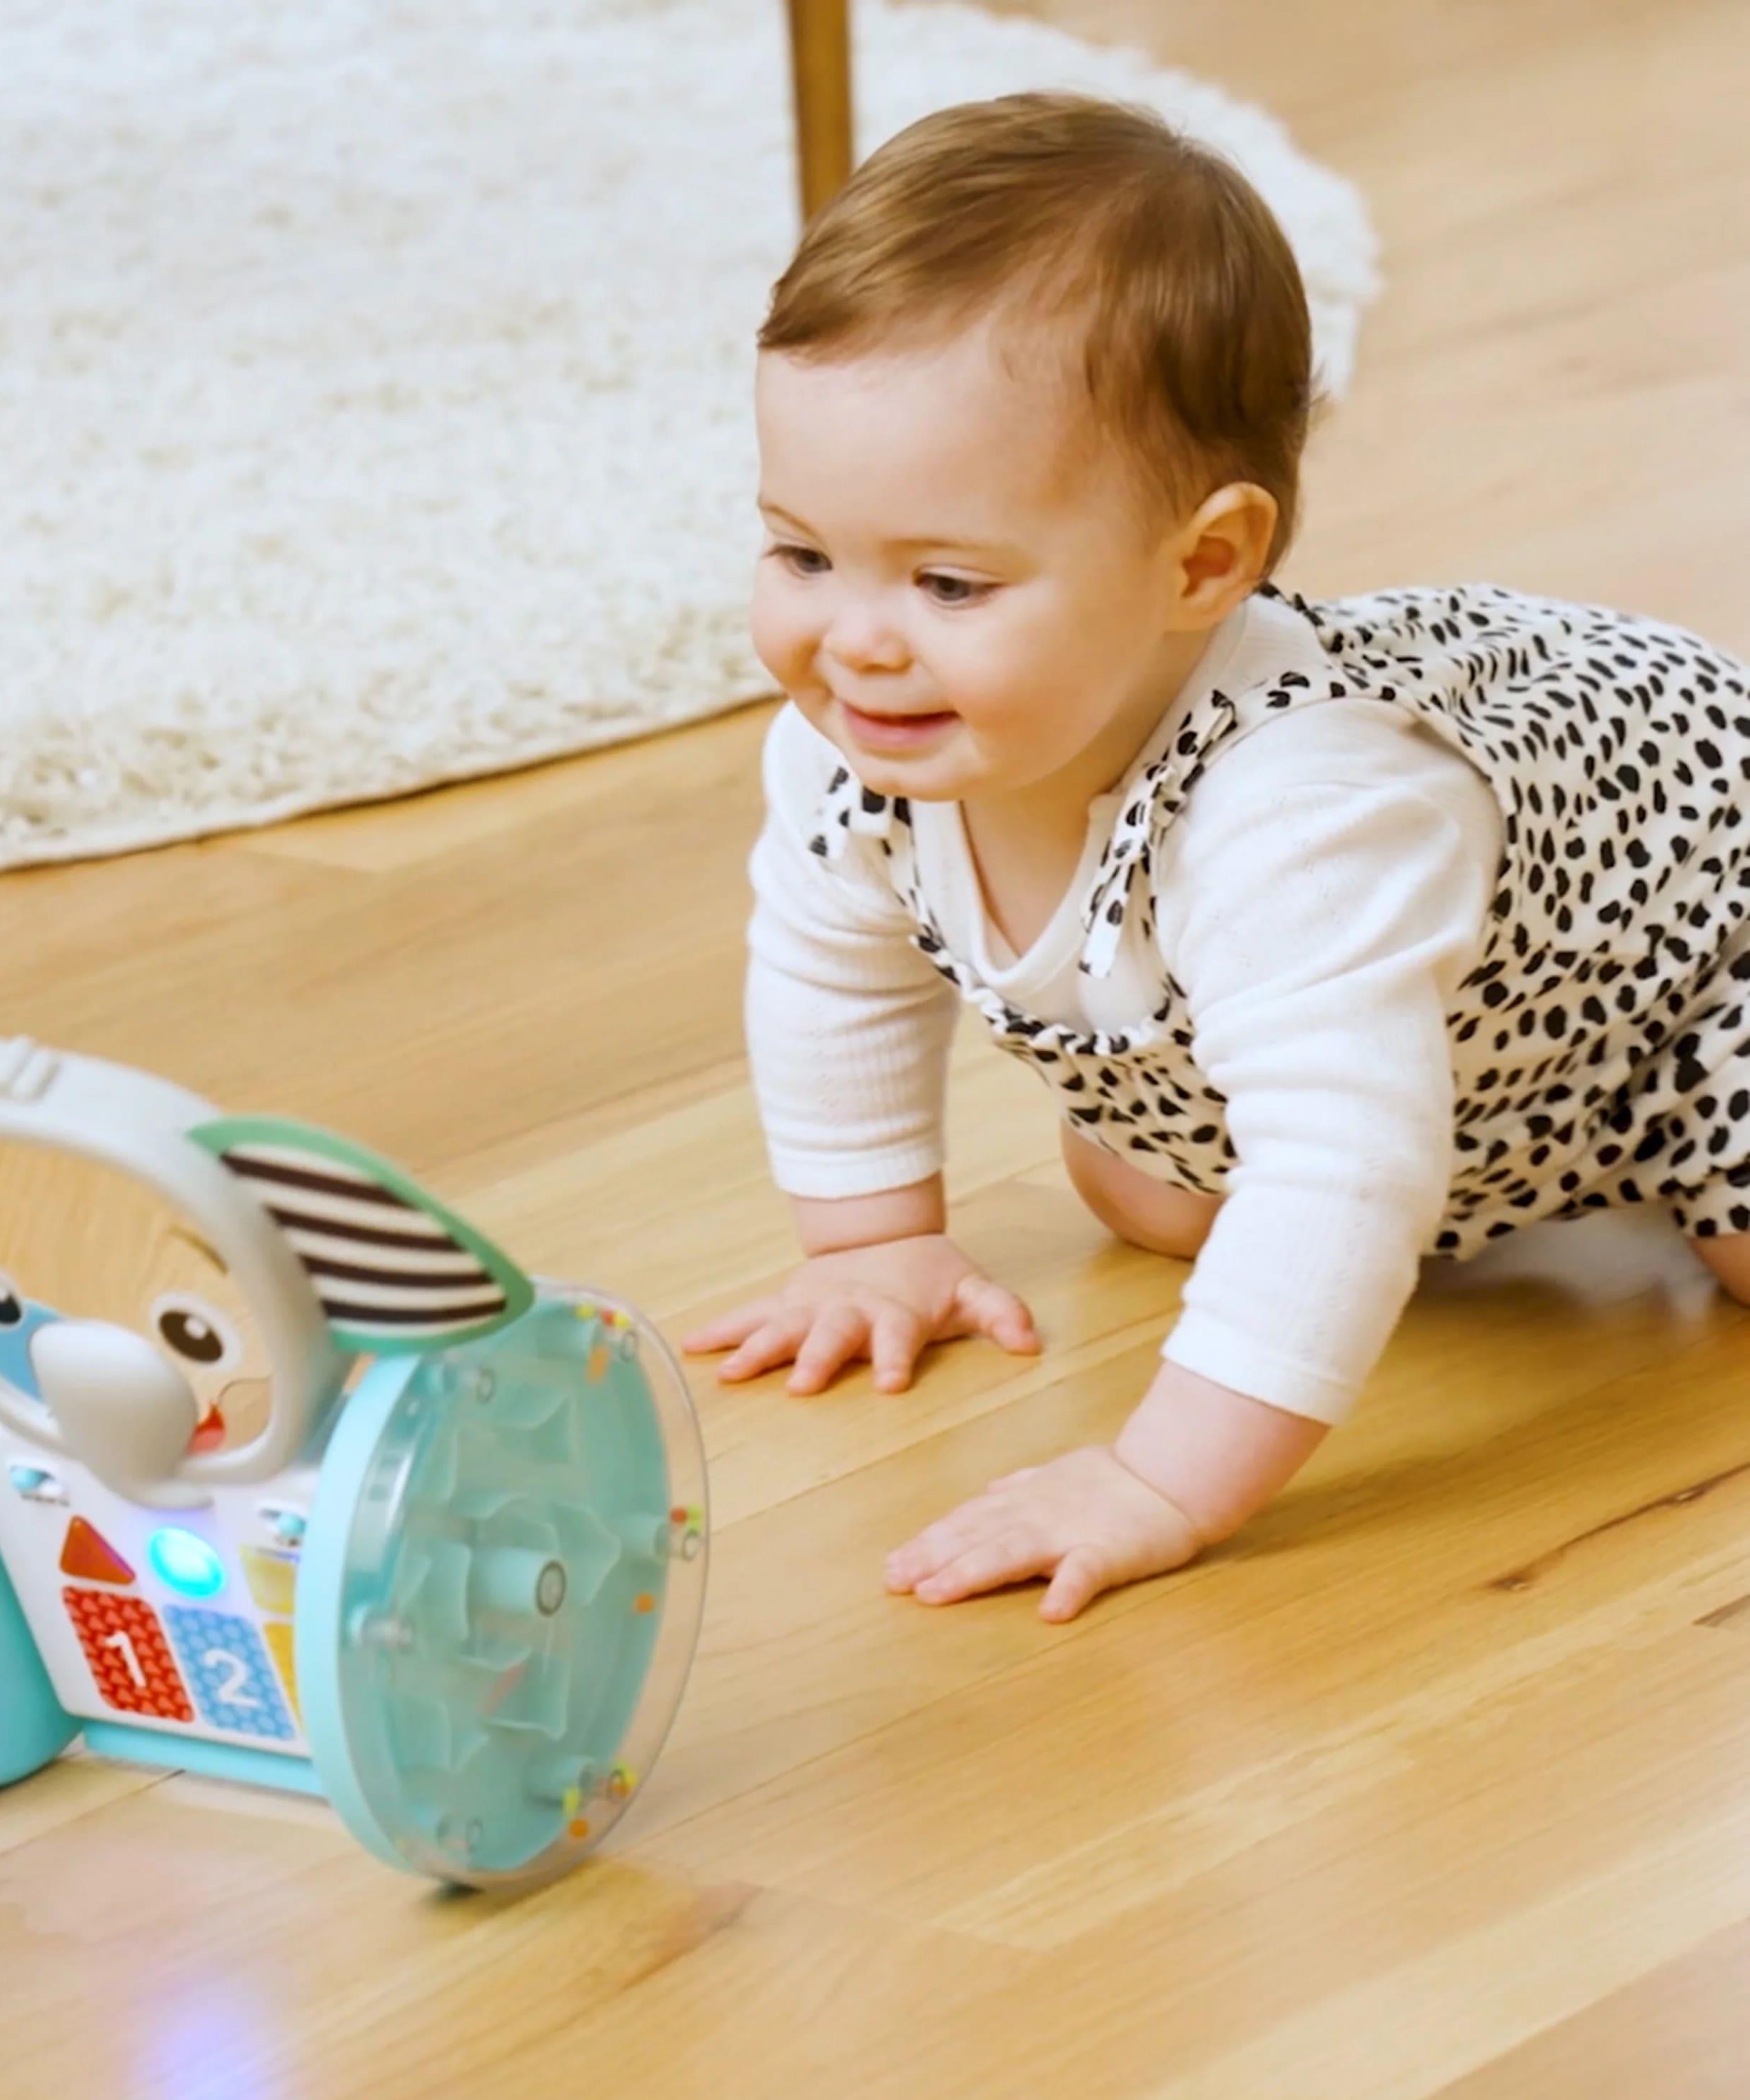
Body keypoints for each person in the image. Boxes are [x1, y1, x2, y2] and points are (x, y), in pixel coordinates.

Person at [682, 92, 1750, 1621]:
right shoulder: (860, 752)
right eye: (801, 553)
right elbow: (829, 966)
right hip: (1482, 1031)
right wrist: (874, 1245)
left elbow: (1341, 1171)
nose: (853, 640)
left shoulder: (1302, 816)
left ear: (1202, 563)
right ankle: (1469, 1139)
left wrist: (1159, 1481)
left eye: (949, 583)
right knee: (1154, 1194)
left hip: (1698, 947)